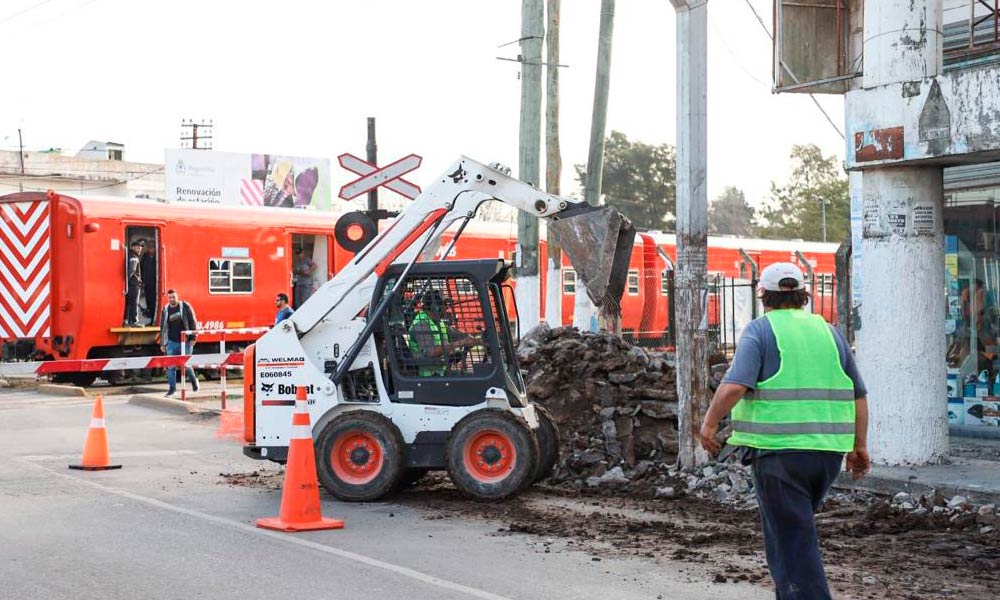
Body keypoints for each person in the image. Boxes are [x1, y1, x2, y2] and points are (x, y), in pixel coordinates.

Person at [698, 262, 870, 600]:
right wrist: (858, 446)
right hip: (826, 457)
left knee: (792, 544)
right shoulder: (829, 332)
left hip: (779, 456)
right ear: (804, 296)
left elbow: (734, 386)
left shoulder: (760, 330)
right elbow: (858, 395)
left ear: (763, 296)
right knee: (793, 536)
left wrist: (709, 422)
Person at [407, 290, 478, 376]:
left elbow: (458, 335)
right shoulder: (421, 324)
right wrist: (460, 343)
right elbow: (431, 352)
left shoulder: (437, 323)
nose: (447, 308)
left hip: (440, 373)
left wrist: (480, 341)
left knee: (472, 376)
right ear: (436, 307)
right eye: (445, 305)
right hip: (427, 378)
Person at [159, 289, 200, 397]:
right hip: (171, 342)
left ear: (177, 297)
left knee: (186, 364)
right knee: (170, 366)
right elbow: (162, 327)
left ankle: (194, 381)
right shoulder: (166, 309)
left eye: (173, 297)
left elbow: (193, 321)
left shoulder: (185, 306)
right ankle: (172, 389)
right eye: (170, 297)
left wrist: (193, 337)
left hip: (185, 341)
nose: (172, 299)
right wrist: (163, 343)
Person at [123, 240, 144, 327]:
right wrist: (127, 281)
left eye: (140, 248)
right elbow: (131, 270)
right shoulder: (134, 257)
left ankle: (126, 320)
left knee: (128, 303)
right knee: (134, 302)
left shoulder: (129, 254)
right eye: (138, 248)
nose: (139, 250)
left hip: (130, 284)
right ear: (133, 247)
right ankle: (134, 321)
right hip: (133, 283)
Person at [140, 242, 158, 321]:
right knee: (149, 301)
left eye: (152, 247)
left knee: (154, 301)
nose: (150, 249)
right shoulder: (145, 256)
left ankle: (154, 318)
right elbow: (141, 268)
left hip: (156, 283)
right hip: (147, 283)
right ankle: (151, 318)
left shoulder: (158, 256)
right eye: (149, 247)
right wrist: (142, 280)